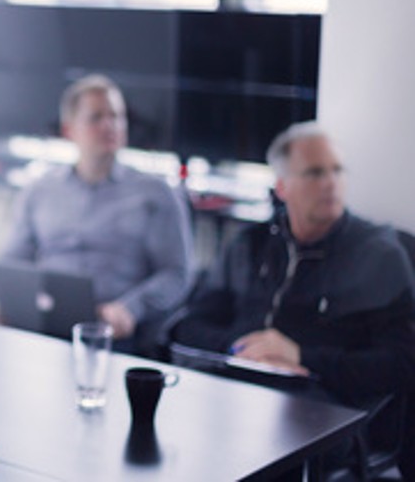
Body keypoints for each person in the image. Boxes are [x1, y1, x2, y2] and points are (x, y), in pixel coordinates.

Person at [170, 121, 415, 476]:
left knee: (259, 447)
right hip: (236, 386)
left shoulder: (376, 255)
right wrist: (244, 349)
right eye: (315, 172)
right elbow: (190, 325)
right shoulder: (250, 245)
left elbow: (402, 363)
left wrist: (302, 357)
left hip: (323, 406)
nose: (331, 182)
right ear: (282, 187)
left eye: (337, 170)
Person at [0, 74, 193, 351]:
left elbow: (177, 274)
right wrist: (5, 301)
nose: (109, 125)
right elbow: (12, 263)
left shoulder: (156, 193)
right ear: (69, 130)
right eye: (96, 117)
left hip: (115, 332)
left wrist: (131, 309)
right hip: (45, 325)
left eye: (116, 116)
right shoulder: (38, 191)